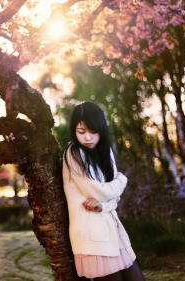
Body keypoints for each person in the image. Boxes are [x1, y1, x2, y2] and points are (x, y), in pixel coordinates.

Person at [62, 102, 145, 281]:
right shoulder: (74, 153)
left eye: (93, 132)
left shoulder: (105, 151)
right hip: (92, 238)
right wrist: (122, 180)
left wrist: (103, 206)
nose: (88, 138)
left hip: (112, 231)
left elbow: (112, 198)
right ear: (74, 130)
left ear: (101, 130)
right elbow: (102, 192)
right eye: (81, 132)